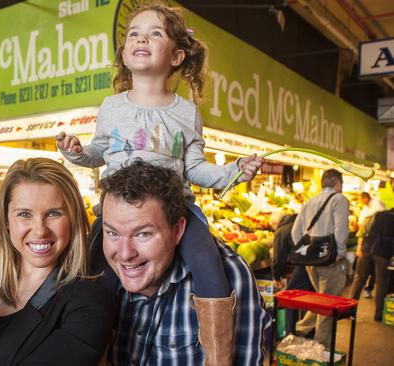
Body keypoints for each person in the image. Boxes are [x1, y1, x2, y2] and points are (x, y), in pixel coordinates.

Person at [56, 3, 262, 364]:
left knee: (207, 262)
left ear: (178, 55)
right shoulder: (111, 106)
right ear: (124, 52)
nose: (141, 39)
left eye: (155, 33)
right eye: (134, 33)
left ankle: (218, 358)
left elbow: (195, 167)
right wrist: (76, 153)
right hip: (117, 214)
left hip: (175, 207)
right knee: (89, 274)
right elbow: (97, 153)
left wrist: (232, 171)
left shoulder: (187, 112)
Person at [95, 159, 269, 365]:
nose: (124, 254)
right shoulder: (92, 276)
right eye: (112, 233)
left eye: (143, 234)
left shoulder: (231, 274)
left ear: (177, 230)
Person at [0, 158, 114, 365]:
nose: (40, 230)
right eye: (24, 214)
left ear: (74, 219)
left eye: (53, 213)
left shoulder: (89, 303)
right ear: (6, 221)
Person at [291, 169, 349, 347]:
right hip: (330, 259)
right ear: (338, 184)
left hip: (311, 262)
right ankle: (321, 348)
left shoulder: (309, 202)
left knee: (321, 299)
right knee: (328, 304)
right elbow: (341, 228)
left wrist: (306, 253)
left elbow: (296, 232)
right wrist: (339, 253)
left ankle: (301, 328)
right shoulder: (339, 200)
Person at [270, 211, 314, 334]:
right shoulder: (299, 222)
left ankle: (291, 333)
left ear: (275, 223)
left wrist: (276, 277)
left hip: (303, 265)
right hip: (317, 263)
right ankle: (309, 332)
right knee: (310, 298)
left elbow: (278, 258)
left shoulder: (281, 231)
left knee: (289, 297)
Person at [350, 208, 394, 321]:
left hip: (367, 248)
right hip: (383, 252)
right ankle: (378, 314)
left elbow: (364, 230)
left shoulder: (377, 214)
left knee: (359, 279)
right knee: (381, 283)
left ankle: (349, 310)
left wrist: (360, 247)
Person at [355, 192, 385, 298]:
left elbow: (362, 230)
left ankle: (367, 290)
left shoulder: (376, 205)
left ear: (366, 198)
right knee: (364, 275)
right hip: (371, 247)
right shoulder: (365, 210)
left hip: (373, 246)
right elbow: (361, 228)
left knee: (368, 274)